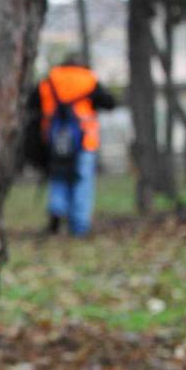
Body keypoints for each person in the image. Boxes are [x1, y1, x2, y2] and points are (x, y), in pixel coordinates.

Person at [29, 53, 117, 236]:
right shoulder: (88, 80)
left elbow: (31, 104)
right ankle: (79, 226)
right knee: (82, 181)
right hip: (84, 140)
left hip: (54, 140)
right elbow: (110, 103)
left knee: (58, 177)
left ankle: (57, 209)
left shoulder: (48, 81)